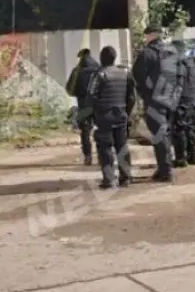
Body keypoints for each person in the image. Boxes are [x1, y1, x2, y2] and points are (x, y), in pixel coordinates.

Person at [131, 24, 180, 183]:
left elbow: (137, 76)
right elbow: (180, 75)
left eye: (147, 36)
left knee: (159, 134)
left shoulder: (146, 54)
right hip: (170, 99)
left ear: (151, 35)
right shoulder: (171, 52)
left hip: (154, 100)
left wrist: (144, 94)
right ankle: (164, 168)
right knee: (164, 133)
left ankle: (166, 171)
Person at [83, 46, 136, 189]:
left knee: (105, 149)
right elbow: (132, 97)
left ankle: (109, 179)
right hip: (121, 116)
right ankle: (126, 177)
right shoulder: (125, 74)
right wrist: (127, 112)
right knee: (122, 146)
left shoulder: (99, 75)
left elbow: (91, 97)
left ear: (101, 59)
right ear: (114, 58)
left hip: (104, 117)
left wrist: (89, 116)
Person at [66, 48, 99, 165]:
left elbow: (69, 90)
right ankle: (103, 155)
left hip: (84, 106)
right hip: (98, 105)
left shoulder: (76, 72)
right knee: (102, 130)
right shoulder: (98, 70)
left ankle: (88, 156)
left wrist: (80, 94)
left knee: (85, 132)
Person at [171, 42, 195, 167]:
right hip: (190, 99)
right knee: (189, 128)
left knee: (179, 129)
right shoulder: (191, 63)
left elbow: (178, 84)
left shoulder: (179, 64)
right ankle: (193, 156)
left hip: (181, 99)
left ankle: (180, 158)